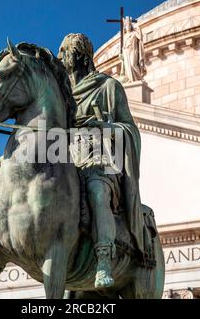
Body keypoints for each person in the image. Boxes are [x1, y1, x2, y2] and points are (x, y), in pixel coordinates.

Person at [58, 33, 146, 288]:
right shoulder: (62, 95)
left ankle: (104, 260)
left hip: (101, 160)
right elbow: (43, 135)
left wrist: (103, 125)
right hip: (68, 161)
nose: (61, 58)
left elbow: (129, 129)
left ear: (80, 56)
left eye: (65, 52)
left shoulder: (108, 86)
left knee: (97, 193)